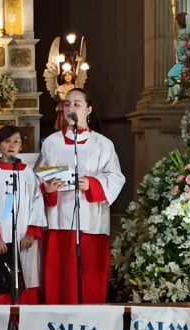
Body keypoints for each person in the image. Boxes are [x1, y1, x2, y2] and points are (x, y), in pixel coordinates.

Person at [37, 89, 125, 304]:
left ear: (89, 110)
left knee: (89, 278)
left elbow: (115, 177)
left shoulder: (102, 144)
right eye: (67, 104)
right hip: (58, 219)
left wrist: (92, 184)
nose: (71, 108)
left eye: (77, 104)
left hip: (90, 220)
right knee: (60, 276)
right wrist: (47, 188)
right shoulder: (51, 142)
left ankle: (90, 318)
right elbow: (37, 176)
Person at [0, 125, 45, 304]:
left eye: (16, 142)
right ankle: (2, 320)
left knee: (27, 280)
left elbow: (37, 204)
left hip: (24, 237)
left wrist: (31, 233)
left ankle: (24, 320)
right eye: (7, 141)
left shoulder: (28, 174)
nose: (12, 145)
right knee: (0, 281)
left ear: (21, 146)